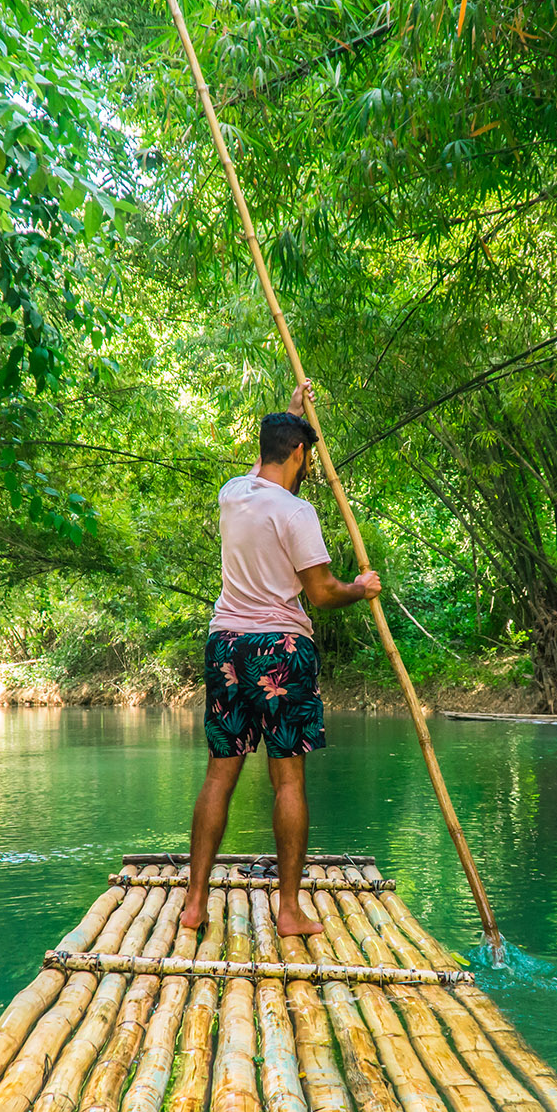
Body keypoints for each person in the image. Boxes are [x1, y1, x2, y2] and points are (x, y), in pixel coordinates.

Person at [180, 379, 381, 937]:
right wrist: (361, 587)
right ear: (300, 453)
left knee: (220, 777)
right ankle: (288, 910)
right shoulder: (297, 512)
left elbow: (261, 467)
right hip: (279, 648)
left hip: (225, 644)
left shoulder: (232, 492)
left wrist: (292, 416)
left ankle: (194, 903)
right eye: (306, 453)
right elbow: (320, 593)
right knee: (287, 781)